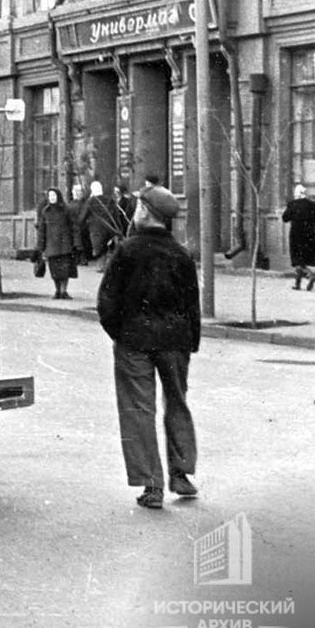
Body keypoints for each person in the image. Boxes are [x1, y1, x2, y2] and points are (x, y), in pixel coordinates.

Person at [97, 185, 200, 510]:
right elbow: (192, 305)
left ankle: (151, 485)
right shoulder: (182, 255)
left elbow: (107, 301)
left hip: (134, 341)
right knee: (178, 404)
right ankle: (181, 474)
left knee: (138, 410)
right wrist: (189, 342)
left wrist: (120, 334)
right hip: (175, 342)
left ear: (145, 212)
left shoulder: (127, 250)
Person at [36, 187, 80, 300]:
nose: (52, 198)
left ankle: (63, 291)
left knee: (65, 270)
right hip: (51, 245)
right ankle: (57, 291)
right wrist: (40, 246)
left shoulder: (67, 210)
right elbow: (42, 230)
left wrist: (76, 243)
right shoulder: (45, 211)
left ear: (58, 196)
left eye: (54, 196)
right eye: (50, 196)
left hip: (65, 245)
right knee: (54, 271)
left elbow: (74, 227)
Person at [281, 184, 315, 291]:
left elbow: (285, 218)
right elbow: (312, 218)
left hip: (296, 235)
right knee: (302, 259)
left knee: (297, 260)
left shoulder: (292, 204)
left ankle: (310, 275)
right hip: (308, 236)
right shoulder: (312, 205)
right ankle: (298, 284)